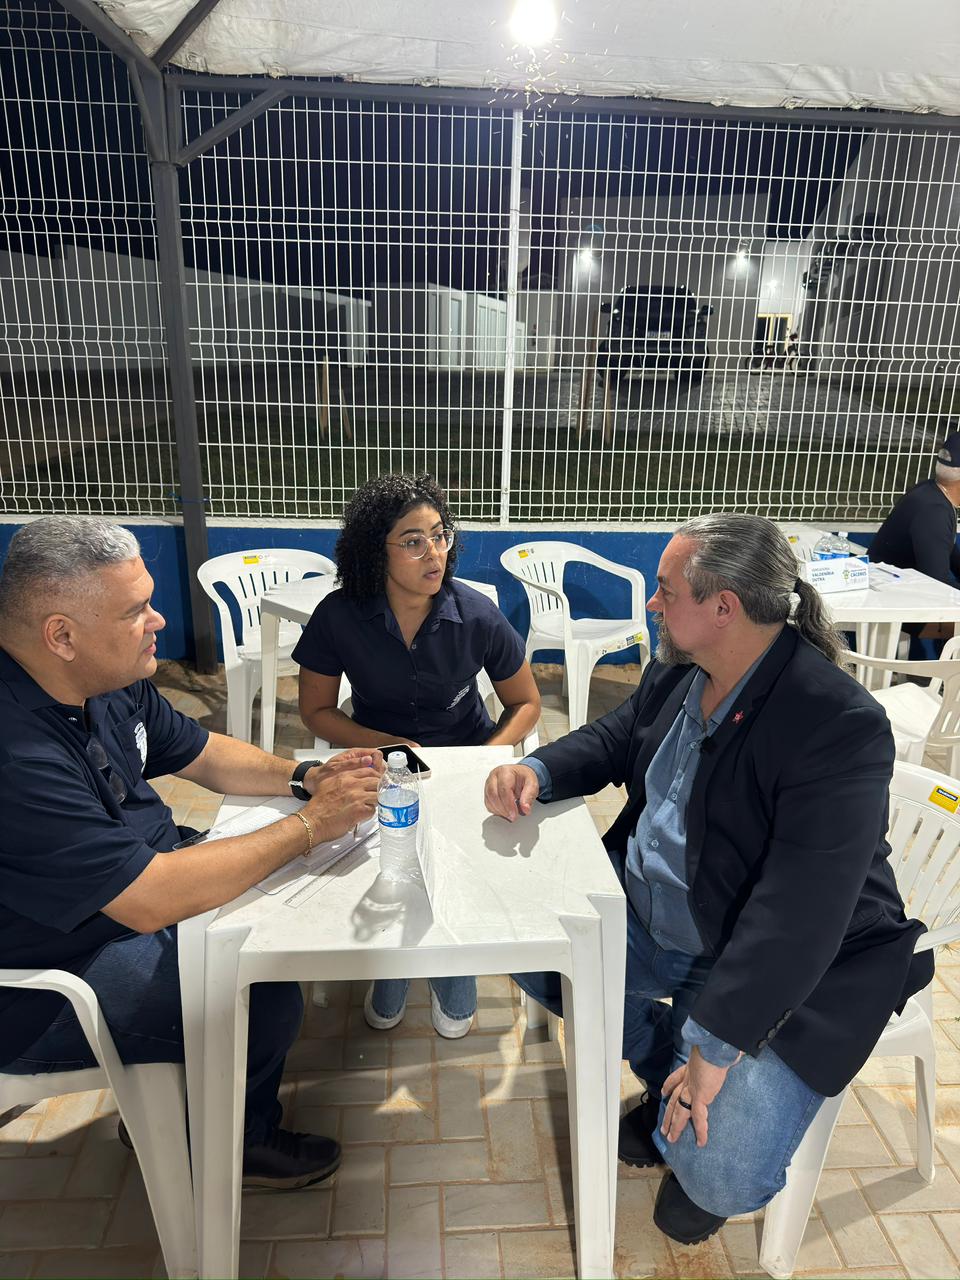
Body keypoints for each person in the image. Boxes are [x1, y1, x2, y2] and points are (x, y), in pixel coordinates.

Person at [484, 514, 933, 1246]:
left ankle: (693, 1067)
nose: (652, 603)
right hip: (652, 916)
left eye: (666, 590)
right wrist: (535, 768)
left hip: (757, 953)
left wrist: (718, 1045)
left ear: (724, 606)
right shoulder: (680, 667)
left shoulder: (835, 722)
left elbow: (798, 912)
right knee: (521, 940)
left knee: (716, 1176)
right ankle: (667, 1058)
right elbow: (617, 736)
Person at [0, 516, 384, 1190]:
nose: (159, 621)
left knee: (285, 918)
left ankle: (182, 1107)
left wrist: (304, 777)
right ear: (61, 635)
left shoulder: (103, 676)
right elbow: (151, 898)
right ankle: (227, 1144)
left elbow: (202, 752)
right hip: (46, 975)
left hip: (127, 896)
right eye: (135, 611)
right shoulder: (17, 752)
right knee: (255, 989)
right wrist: (308, 826)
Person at [296, 473, 541, 1039]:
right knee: (389, 863)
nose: (434, 553)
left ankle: (454, 970)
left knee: (457, 863)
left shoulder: (475, 614)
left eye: (440, 534)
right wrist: (380, 744)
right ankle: (393, 967)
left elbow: (526, 702)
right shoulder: (339, 615)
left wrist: (484, 758)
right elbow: (316, 711)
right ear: (374, 552)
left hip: (465, 758)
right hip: (377, 763)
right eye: (412, 541)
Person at [869, 426, 960, 656]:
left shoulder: (930, 491)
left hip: (894, 594)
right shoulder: (935, 512)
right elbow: (937, 588)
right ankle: (946, 675)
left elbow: (948, 550)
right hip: (894, 606)